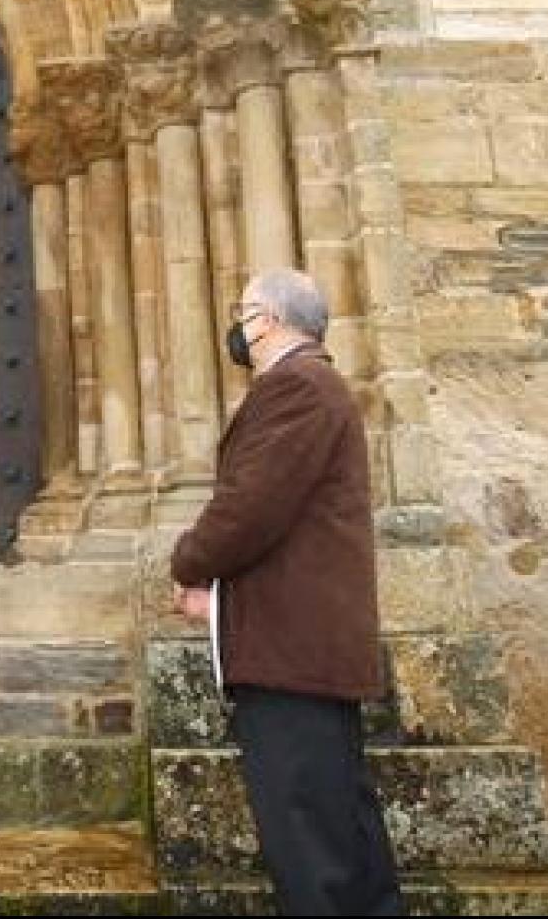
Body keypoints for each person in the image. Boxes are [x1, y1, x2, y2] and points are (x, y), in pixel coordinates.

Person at [169, 268, 401, 917]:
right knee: (340, 831)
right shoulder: (315, 387)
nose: (239, 327)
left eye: (244, 312)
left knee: (309, 842)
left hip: (292, 653)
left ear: (266, 319)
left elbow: (249, 509)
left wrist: (189, 562)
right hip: (305, 650)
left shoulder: (297, 388)